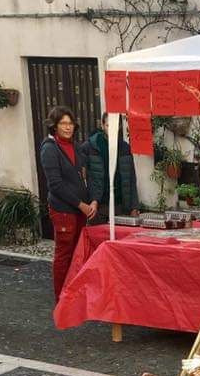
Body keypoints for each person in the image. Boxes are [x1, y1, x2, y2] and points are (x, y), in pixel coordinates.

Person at [39, 106, 97, 300]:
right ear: (54, 126)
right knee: (64, 253)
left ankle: (74, 291)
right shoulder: (49, 148)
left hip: (80, 209)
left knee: (78, 252)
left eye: (70, 123)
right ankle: (61, 296)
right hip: (63, 209)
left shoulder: (77, 147)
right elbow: (55, 184)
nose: (67, 127)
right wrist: (80, 204)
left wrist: (92, 200)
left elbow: (83, 176)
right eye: (63, 123)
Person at [82, 113, 139, 224]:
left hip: (120, 206)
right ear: (102, 126)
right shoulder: (90, 147)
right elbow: (81, 176)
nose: (112, 129)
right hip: (98, 205)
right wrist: (90, 200)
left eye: (115, 126)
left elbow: (131, 178)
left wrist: (134, 206)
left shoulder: (125, 148)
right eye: (109, 125)